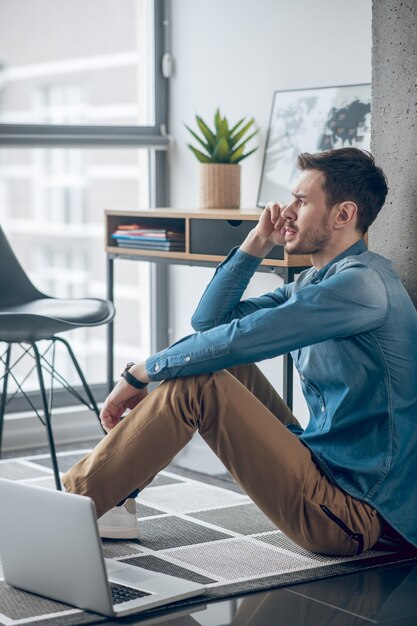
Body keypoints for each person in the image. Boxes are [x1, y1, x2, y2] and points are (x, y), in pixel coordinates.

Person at [63, 147, 417, 556]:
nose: (287, 211)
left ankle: (75, 503)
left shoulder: (362, 287)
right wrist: (256, 241)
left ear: (342, 215)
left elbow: (236, 338)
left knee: (201, 381)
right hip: (323, 467)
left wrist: (143, 371)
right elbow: (211, 325)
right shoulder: (312, 284)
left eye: (301, 201)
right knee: (219, 365)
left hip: (353, 514)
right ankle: (114, 499)